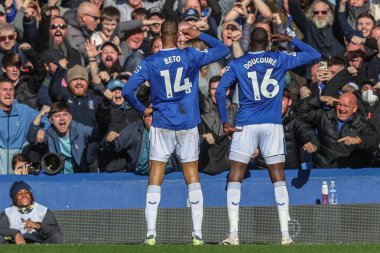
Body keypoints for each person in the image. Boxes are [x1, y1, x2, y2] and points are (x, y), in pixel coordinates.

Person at [122, 20, 229, 245]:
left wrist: (143, 110)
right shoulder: (190, 54)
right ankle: (198, 234)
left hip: (162, 124)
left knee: (155, 177)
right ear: (178, 35)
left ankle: (151, 234)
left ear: (160, 36)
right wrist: (198, 33)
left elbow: (127, 90)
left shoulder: (151, 61)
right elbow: (223, 49)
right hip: (188, 124)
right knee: (192, 177)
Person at [215, 27, 320, 245]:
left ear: (250, 43)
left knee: (235, 175)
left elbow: (219, 91)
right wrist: (290, 39)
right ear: (268, 41)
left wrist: (226, 120)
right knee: (278, 177)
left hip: (245, 124)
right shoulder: (279, 58)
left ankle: (233, 234)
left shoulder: (238, 63)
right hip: (272, 124)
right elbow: (314, 55)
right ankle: (285, 235)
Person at [296, 92, 380, 168]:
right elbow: (300, 111)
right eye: (339, 104)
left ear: (354, 108)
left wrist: (358, 140)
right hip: (323, 169)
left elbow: (374, 142)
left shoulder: (361, 124)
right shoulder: (325, 116)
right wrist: (319, 99)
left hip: (347, 173)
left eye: (346, 106)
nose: (341, 109)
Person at [27, 102, 99, 174]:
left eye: (65, 114)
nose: (62, 118)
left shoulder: (79, 129)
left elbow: (96, 133)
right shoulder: (49, 133)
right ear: (51, 120)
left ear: (70, 117)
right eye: (57, 116)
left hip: (79, 175)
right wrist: (40, 115)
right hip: (58, 176)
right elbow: (31, 139)